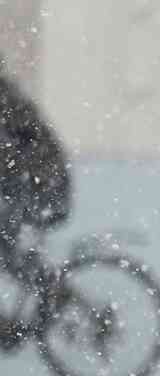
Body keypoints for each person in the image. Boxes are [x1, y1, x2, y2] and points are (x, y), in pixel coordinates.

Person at [0, 66, 70, 348]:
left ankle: (50, 293)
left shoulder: (4, 97)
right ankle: (49, 291)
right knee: (10, 252)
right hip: (34, 182)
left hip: (40, 184)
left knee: (6, 247)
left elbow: (8, 156)